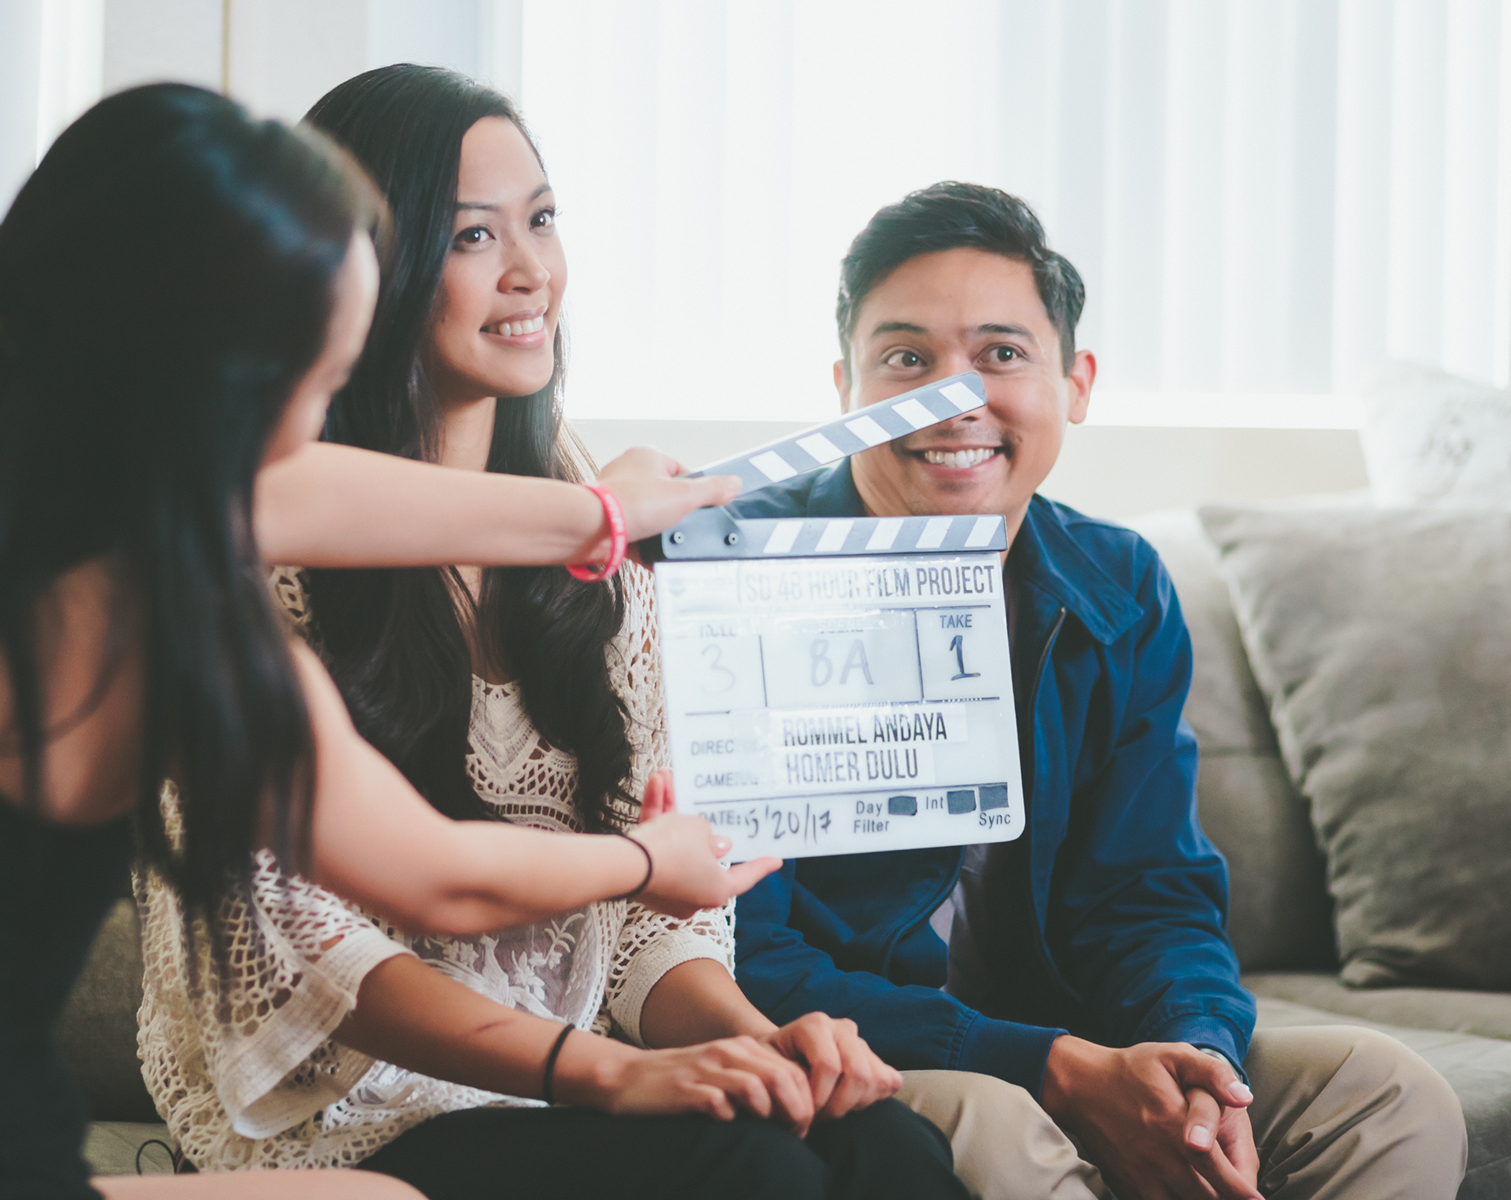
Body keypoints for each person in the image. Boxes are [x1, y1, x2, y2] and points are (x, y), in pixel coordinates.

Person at [0, 83, 771, 1200]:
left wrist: (596, 516)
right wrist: (652, 861)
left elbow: (306, 496)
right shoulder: (149, 600)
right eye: (314, 383)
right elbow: (439, 878)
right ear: (204, 367)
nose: (316, 428)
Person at [137, 65, 967, 1200]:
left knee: (887, 1149)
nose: (531, 271)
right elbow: (350, 938)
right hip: (355, 1114)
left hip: (569, 1088)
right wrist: (599, 1067)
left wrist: (745, 1037)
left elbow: (641, 929)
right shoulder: (247, 559)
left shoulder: (591, 549)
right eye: (474, 235)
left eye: (542, 219)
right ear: (353, 274)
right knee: (749, 1172)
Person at [728, 182, 1469, 1200]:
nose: (955, 397)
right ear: (846, 388)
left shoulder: (1115, 585)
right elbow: (736, 948)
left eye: (1001, 355)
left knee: (1387, 1095)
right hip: (873, 1055)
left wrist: (1196, 1060)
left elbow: (1150, 892)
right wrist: (1054, 1068)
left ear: (1074, 382)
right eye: (907, 360)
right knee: (999, 1133)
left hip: (1082, 1038)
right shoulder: (732, 575)